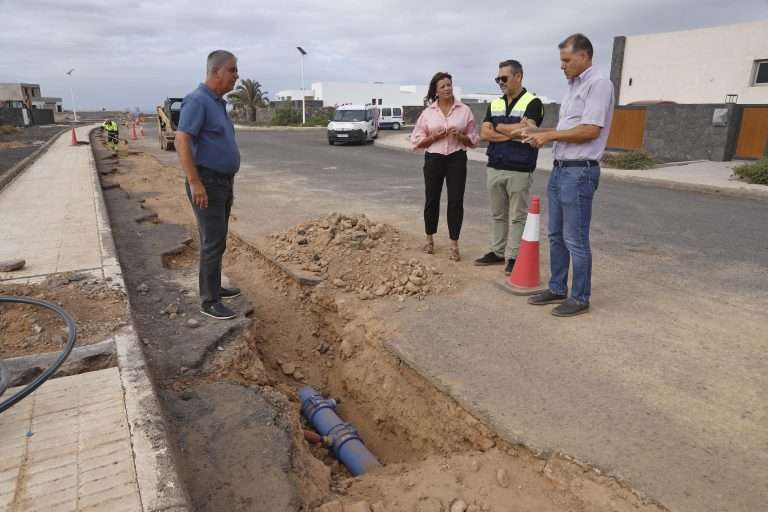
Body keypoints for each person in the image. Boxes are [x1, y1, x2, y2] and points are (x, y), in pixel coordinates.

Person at [521, 33, 615, 317]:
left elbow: (590, 130)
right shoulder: (574, 86)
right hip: (562, 170)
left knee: (575, 238)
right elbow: (568, 129)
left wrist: (548, 135)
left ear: (583, 56)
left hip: (579, 172)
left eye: (566, 60)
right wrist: (538, 131)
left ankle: (580, 297)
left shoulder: (598, 84)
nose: (562, 66)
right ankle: (558, 287)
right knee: (556, 235)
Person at [175, 50, 242, 320]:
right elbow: (182, 140)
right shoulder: (197, 101)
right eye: (232, 70)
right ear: (216, 72)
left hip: (222, 182)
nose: (237, 76)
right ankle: (209, 300)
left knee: (217, 238)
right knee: (212, 241)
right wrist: (195, 182)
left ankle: (214, 287)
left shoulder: (216, 102)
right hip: (207, 182)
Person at [474, 60, 544, 275]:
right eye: (498, 79)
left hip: (520, 168)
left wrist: (500, 127)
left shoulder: (534, 102)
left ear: (518, 76)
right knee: (498, 214)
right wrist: (511, 132)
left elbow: (527, 132)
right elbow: (484, 134)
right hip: (495, 165)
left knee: (517, 216)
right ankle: (497, 252)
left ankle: (513, 256)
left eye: (504, 78)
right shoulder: (494, 104)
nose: (500, 82)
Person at [410, 72, 480, 261]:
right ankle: (429, 239)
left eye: (449, 85)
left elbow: (474, 140)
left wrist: (462, 136)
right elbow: (416, 140)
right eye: (443, 86)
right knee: (431, 199)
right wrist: (434, 137)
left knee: (456, 201)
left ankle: (454, 245)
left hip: (457, 158)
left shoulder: (464, 110)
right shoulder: (428, 113)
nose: (447, 88)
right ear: (436, 91)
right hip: (434, 158)